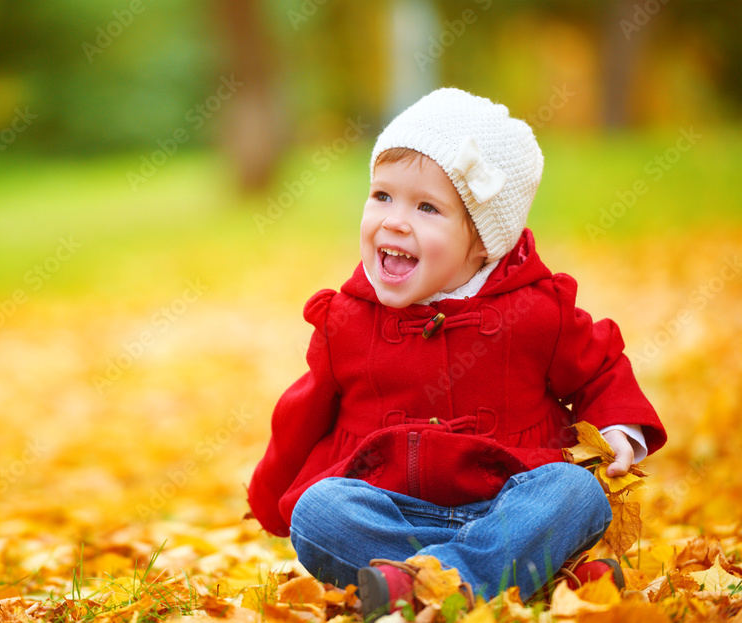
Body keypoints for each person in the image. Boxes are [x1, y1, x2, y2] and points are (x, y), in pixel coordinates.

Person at [246, 88, 665, 616]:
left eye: (427, 207)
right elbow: (303, 413)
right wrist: (271, 496)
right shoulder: (347, 319)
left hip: (512, 503)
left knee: (574, 493)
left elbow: (599, 367)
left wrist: (618, 429)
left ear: (485, 241)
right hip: (388, 511)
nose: (395, 220)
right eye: (382, 196)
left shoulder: (536, 311)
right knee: (319, 513)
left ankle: (433, 583)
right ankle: (516, 574)